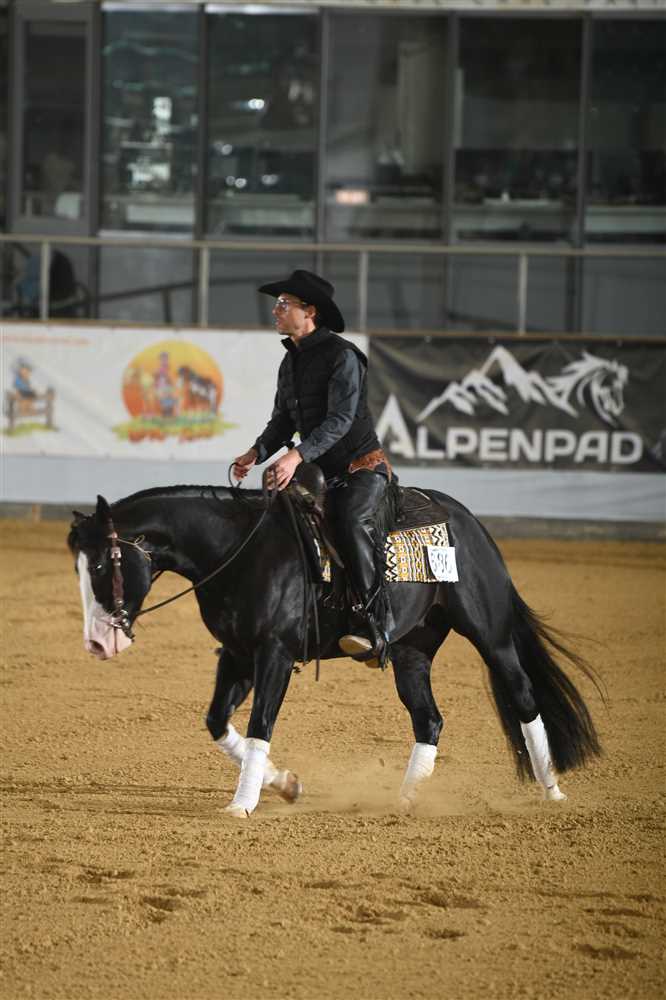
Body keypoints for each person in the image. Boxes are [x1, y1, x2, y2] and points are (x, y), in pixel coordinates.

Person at [232, 269, 391, 663]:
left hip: (360, 468)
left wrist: (295, 455)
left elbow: (340, 420)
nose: (275, 311)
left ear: (310, 311)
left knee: (351, 522)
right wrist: (256, 451)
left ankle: (375, 624)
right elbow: (283, 420)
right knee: (274, 520)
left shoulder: (343, 356)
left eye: (283, 304)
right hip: (319, 469)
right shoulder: (290, 362)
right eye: (277, 304)